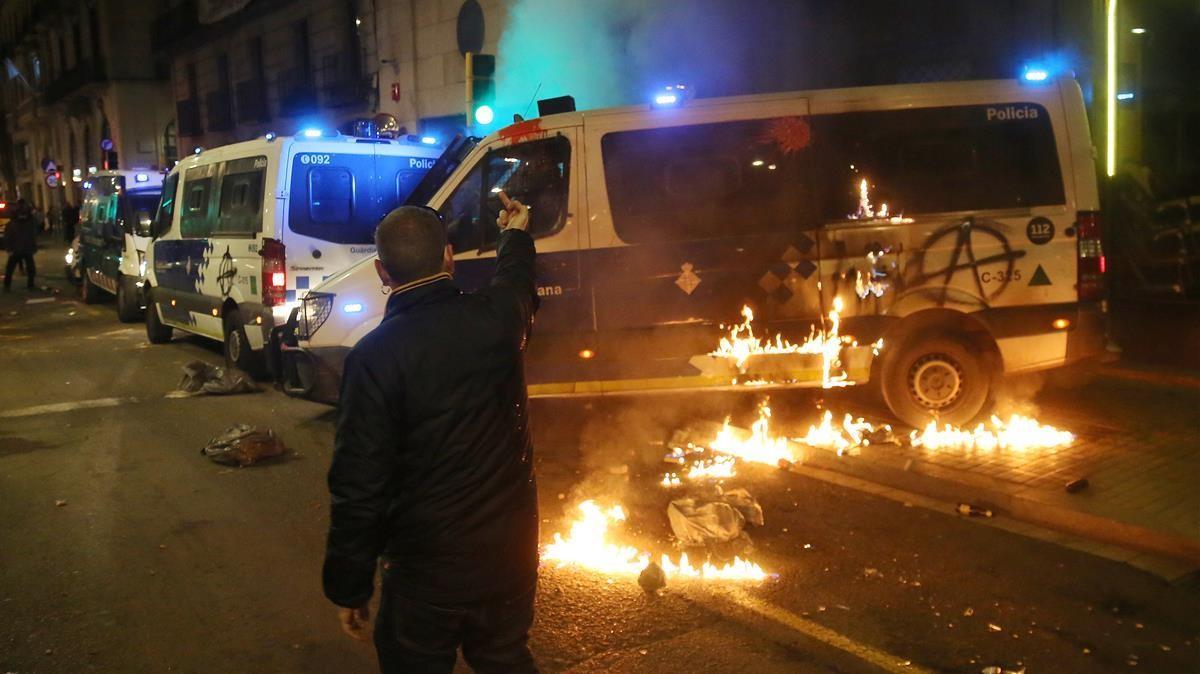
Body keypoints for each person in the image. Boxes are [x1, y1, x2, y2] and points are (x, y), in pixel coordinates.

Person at [323, 192, 540, 674]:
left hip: (425, 572)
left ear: (382, 272)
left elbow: (359, 487)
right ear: (448, 256)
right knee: (505, 657)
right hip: (511, 556)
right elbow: (517, 284)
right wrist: (515, 236)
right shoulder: (495, 320)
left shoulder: (373, 358)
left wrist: (350, 587)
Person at [4, 199, 39, 291]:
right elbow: (32, 234)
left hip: (20, 248)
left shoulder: (18, 221)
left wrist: (9, 248)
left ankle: (8, 285)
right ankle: (29, 284)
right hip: (22, 248)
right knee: (26, 267)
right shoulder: (25, 220)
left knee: (11, 268)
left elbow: (9, 236)